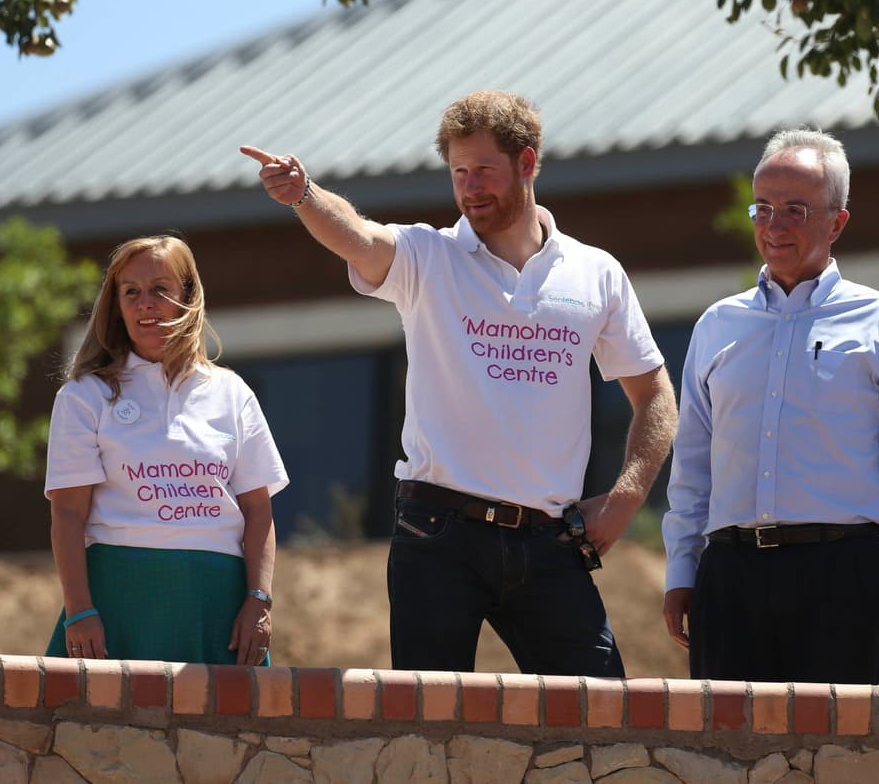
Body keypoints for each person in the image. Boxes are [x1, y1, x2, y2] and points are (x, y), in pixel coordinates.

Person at [242, 90, 677, 676]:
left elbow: (654, 396)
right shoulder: (429, 256)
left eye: (484, 171)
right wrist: (305, 195)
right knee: (429, 721)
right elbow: (361, 237)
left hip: (550, 539)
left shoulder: (596, 272)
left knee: (600, 712)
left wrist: (625, 498)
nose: (470, 187)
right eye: (459, 172)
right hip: (436, 534)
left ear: (527, 163)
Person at [662, 128, 879, 684]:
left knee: (840, 753)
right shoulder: (718, 325)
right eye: (764, 208)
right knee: (725, 754)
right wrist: (681, 569)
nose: (775, 226)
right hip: (729, 575)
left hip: (841, 575)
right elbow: (693, 464)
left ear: (837, 221)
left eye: (796, 210)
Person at [45, 235, 288, 666]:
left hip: (218, 600)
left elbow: (258, 510)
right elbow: (67, 514)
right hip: (118, 596)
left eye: (160, 289)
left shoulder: (231, 392)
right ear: (116, 306)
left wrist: (259, 601)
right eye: (131, 292)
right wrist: (80, 610)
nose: (145, 304)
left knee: (231, 733)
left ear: (188, 296)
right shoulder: (84, 396)